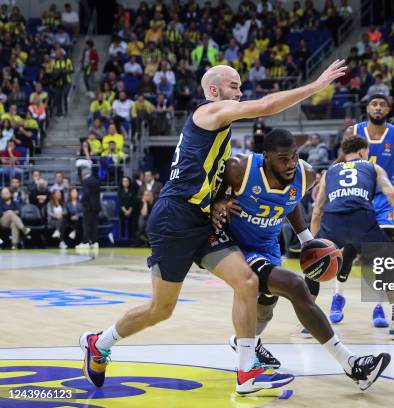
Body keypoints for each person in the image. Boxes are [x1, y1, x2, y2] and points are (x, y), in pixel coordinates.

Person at [79, 61, 347, 394]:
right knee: (160, 310)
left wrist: (219, 202)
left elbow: (213, 175)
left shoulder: (220, 125)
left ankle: (246, 371)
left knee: (247, 281)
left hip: (201, 218)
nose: (241, 91)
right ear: (214, 91)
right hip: (174, 218)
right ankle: (99, 343)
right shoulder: (208, 113)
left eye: (240, 86)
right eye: (235, 85)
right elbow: (265, 106)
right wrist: (315, 85)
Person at [212, 129, 391, 390]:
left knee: (266, 304)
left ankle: (245, 342)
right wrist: (219, 201)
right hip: (237, 247)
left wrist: (307, 239)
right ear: (266, 157)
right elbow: (207, 192)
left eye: (294, 156)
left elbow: (291, 199)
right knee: (296, 286)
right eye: (283, 159)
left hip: (268, 245)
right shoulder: (239, 168)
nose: (290, 164)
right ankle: (351, 364)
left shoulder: (305, 173)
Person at [311, 136, 394, 339]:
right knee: (391, 263)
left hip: (333, 221)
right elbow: (392, 195)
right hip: (361, 219)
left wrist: (313, 243)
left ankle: (308, 323)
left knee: (313, 267)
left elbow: (317, 210)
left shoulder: (330, 172)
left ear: (345, 154)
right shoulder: (373, 168)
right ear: (364, 152)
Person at [335, 93, 394, 329]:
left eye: (382, 105)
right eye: (374, 104)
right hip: (356, 195)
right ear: (367, 107)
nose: (378, 108)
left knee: (382, 254)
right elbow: (340, 162)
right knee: (347, 250)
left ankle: (378, 304)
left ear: (388, 110)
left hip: (383, 198)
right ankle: (338, 297)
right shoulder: (353, 132)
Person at [77, 167, 100, 249]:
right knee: (94, 225)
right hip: (96, 206)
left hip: (88, 206)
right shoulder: (96, 180)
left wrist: (82, 200)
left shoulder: (86, 181)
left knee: (86, 225)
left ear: (83, 174)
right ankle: (95, 242)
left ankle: (85, 242)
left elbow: (86, 193)